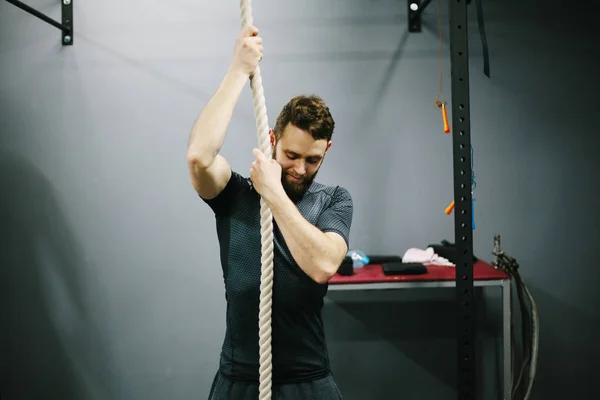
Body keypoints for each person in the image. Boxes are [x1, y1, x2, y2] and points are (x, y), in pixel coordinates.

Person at [186, 25, 354, 400]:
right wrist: (236, 72)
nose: (300, 168)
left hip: (307, 381)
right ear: (273, 141)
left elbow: (323, 264)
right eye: (291, 156)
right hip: (240, 380)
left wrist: (275, 195)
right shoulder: (236, 194)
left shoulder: (334, 200)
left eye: (313, 160)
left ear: (328, 150)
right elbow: (199, 156)